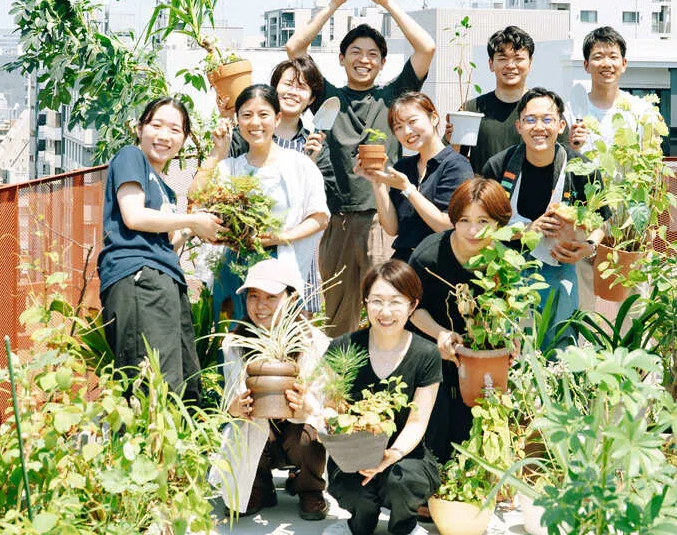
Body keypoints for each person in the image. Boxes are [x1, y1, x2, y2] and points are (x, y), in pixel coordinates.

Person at [286, 0, 436, 337]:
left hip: (380, 222)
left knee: (387, 310)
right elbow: (295, 49)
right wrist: (334, 3)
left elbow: (427, 48)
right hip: (335, 222)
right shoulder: (328, 98)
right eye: (355, 52)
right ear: (341, 58)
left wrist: (387, 2)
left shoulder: (393, 97)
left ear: (382, 63)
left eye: (372, 55)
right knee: (337, 320)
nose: (364, 60)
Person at [97, 97, 224, 401]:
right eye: (156, 125)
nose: (164, 135)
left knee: (184, 385)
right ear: (140, 128)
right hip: (138, 276)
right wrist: (191, 220)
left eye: (175, 130)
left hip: (165, 281)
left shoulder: (165, 188)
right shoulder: (131, 157)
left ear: (184, 139)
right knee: (152, 386)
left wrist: (194, 228)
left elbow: (168, 243)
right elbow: (134, 216)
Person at [318, 260, 441, 535]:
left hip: (405, 454)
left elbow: (417, 423)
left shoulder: (426, 354)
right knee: (355, 491)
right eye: (376, 301)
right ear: (365, 302)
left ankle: (404, 526)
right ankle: (358, 524)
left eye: (396, 302)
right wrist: (327, 425)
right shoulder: (343, 347)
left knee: (402, 483)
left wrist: (390, 456)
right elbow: (331, 407)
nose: (385, 312)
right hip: (353, 451)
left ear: (412, 305)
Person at [193, 84, 330, 325]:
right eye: (246, 115)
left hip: (280, 270)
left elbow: (320, 218)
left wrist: (281, 237)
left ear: (277, 119)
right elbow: (196, 197)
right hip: (233, 270)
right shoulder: (229, 167)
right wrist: (217, 152)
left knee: (277, 340)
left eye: (263, 114)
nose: (255, 122)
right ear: (237, 120)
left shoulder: (299, 165)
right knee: (233, 338)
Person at [210, 257, 331, 521]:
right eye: (254, 296)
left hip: (297, 431)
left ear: (291, 298)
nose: (261, 305)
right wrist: (234, 408)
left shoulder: (313, 341)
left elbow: (323, 408)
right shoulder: (235, 342)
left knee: (309, 436)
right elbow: (232, 393)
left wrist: (306, 407)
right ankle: (259, 486)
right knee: (240, 429)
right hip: (260, 429)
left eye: (271, 297)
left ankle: (309, 488)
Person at [482, 88, 608, 336]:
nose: (539, 127)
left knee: (560, 341)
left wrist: (590, 247)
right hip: (508, 267)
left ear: (561, 126)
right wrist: (527, 231)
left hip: (560, 265)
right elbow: (483, 226)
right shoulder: (499, 166)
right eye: (530, 119)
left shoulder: (581, 169)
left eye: (547, 119)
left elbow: (602, 220)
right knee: (512, 342)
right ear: (519, 126)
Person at [407, 177, 512, 467]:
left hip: (478, 355)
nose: (473, 231)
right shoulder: (429, 255)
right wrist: (440, 334)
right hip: (430, 348)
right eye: (464, 220)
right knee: (435, 427)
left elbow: (509, 309)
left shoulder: (504, 260)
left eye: (483, 221)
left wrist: (509, 339)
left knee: (473, 429)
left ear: (499, 222)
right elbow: (412, 308)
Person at [226, 57, 339, 308]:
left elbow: (323, 204)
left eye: (302, 87)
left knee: (293, 320)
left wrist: (311, 161)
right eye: (288, 84)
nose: (293, 92)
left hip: (296, 251)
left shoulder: (314, 144)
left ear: (311, 98)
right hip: (246, 248)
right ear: (274, 88)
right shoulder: (247, 135)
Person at [566, 26, 656, 311]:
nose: (606, 63)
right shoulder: (571, 109)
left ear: (624, 63)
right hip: (585, 217)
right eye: (598, 57)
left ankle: (633, 343)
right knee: (581, 302)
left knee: (634, 304)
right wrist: (570, 144)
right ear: (586, 65)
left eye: (613, 56)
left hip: (628, 221)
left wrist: (648, 222)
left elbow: (651, 168)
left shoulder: (640, 110)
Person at [356, 92, 472, 263]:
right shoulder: (404, 167)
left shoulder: (456, 165)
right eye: (398, 127)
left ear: (434, 118)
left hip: (439, 264)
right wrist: (377, 182)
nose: (407, 132)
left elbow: (446, 226)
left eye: (412, 121)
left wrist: (408, 189)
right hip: (404, 262)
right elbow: (392, 228)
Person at [445, 25, 537, 174]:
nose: (510, 65)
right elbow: (450, 163)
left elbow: (563, 157)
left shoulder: (544, 108)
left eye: (518, 59)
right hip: (483, 189)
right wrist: (453, 141)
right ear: (491, 64)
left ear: (530, 63)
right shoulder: (472, 109)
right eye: (502, 59)